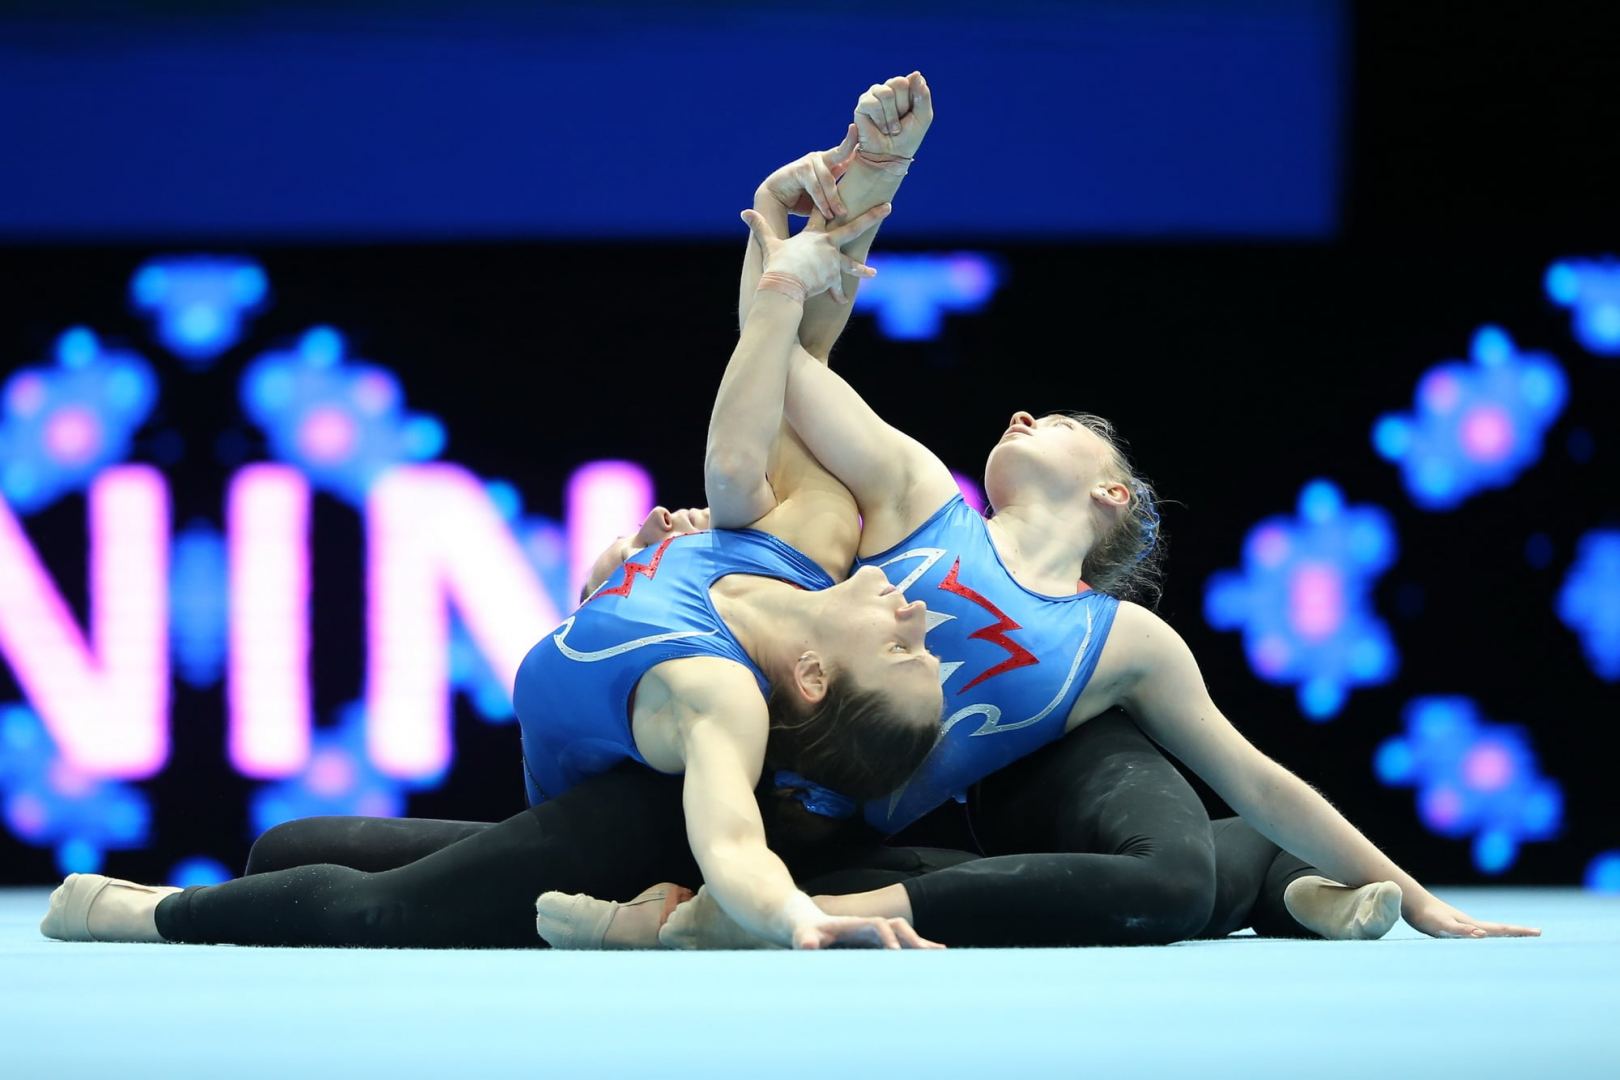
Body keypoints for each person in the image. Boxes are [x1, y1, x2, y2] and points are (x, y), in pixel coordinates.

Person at [540, 72, 1541, 949]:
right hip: (723, 789)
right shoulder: (919, 494)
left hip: (845, 851)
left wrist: (1420, 898)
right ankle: (1287, 892)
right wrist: (863, 192)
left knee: (1171, 871)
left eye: (1059, 421)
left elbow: (1256, 777)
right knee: (485, 875)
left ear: (1115, 492)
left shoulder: (1125, 642)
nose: (1021, 413)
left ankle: (747, 918)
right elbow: (782, 358)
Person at [37, 203, 948, 951]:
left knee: (378, 914)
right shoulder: (795, 542)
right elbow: (792, 372)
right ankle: (647, 918)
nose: (918, 616)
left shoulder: (719, 697)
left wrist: (797, 922)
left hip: (634, 833)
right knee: (285, 848)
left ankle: (143, 916)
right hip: (596, 814)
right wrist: (840, 207)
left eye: (905, 652)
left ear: (814, 677)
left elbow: (735, 843)